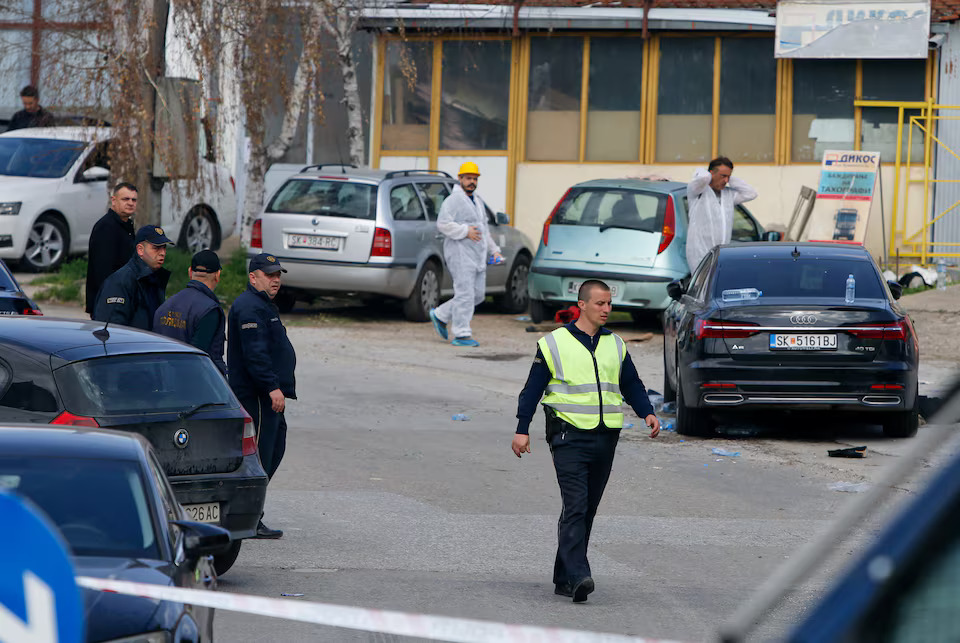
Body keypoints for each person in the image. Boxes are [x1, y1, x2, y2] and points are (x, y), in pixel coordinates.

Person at [511, 279, 660, 603]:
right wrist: (522, 428)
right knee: (576, 505)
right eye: (600, 303)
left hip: (606, 436)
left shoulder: (615, 344)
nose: (607, 309)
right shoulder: (554, 343)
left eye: (609, 304)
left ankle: (564, 577)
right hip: (568, 435)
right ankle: (579, 573)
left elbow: (631, 383)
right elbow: (532, 389)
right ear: (582, 305)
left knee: (585, 509)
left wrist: (646, 411)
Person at [228, 253, 297, 540]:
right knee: (258, 456)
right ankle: (248, 518)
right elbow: (255, 355)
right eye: (270, 275)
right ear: (253, 276)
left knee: (273, 449)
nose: (276, 279)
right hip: (258, 397)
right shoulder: (249, 308)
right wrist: (271, 387)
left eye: (278, 274)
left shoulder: (262, 305)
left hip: (267, 396)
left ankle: (251, 514)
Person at [428, 161, 503, 347]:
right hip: (459, 253)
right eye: (468, 178)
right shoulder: (453, 200)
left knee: (477, 295)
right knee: (465, 294)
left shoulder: (476, 200)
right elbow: (443, 224)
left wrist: (494, 250)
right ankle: (462, 333)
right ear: (460, 179)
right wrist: (464, 231)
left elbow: (483, 229)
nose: (472, 182)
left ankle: (441, 314)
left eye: (475, 178)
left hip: (476, 254)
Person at [153, 249, 227, 376]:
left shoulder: (164, 306)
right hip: (196, 384)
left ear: (190, 272)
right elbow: (199, 357)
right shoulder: (209, 310)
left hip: (164, 380)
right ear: (217, 275)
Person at [685, 156, 758, 274]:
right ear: (711, 174)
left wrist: (731, 179)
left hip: (721, 254)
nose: (726, 181)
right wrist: (708, 175)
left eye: (728, 177)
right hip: (699, 254)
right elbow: (703, 177)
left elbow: (751, 193)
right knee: (702, 290)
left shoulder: (729, 195)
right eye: (723, 176)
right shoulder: (697, 191)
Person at [92, 225, 172, 330]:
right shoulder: (120, 282)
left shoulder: (155, 280)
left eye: (164, 247)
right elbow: (110, 330)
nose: (162, 253)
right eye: (156, 248)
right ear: (140, 250)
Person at [86, 183, 138, 317]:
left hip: (122, 299)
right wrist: (111, 301)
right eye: (125, 199)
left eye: (134, 199)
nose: (130, 203)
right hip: (109, 303)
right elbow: (102, 272)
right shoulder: (106, 227)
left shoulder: (126, 225)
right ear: (114, 200)